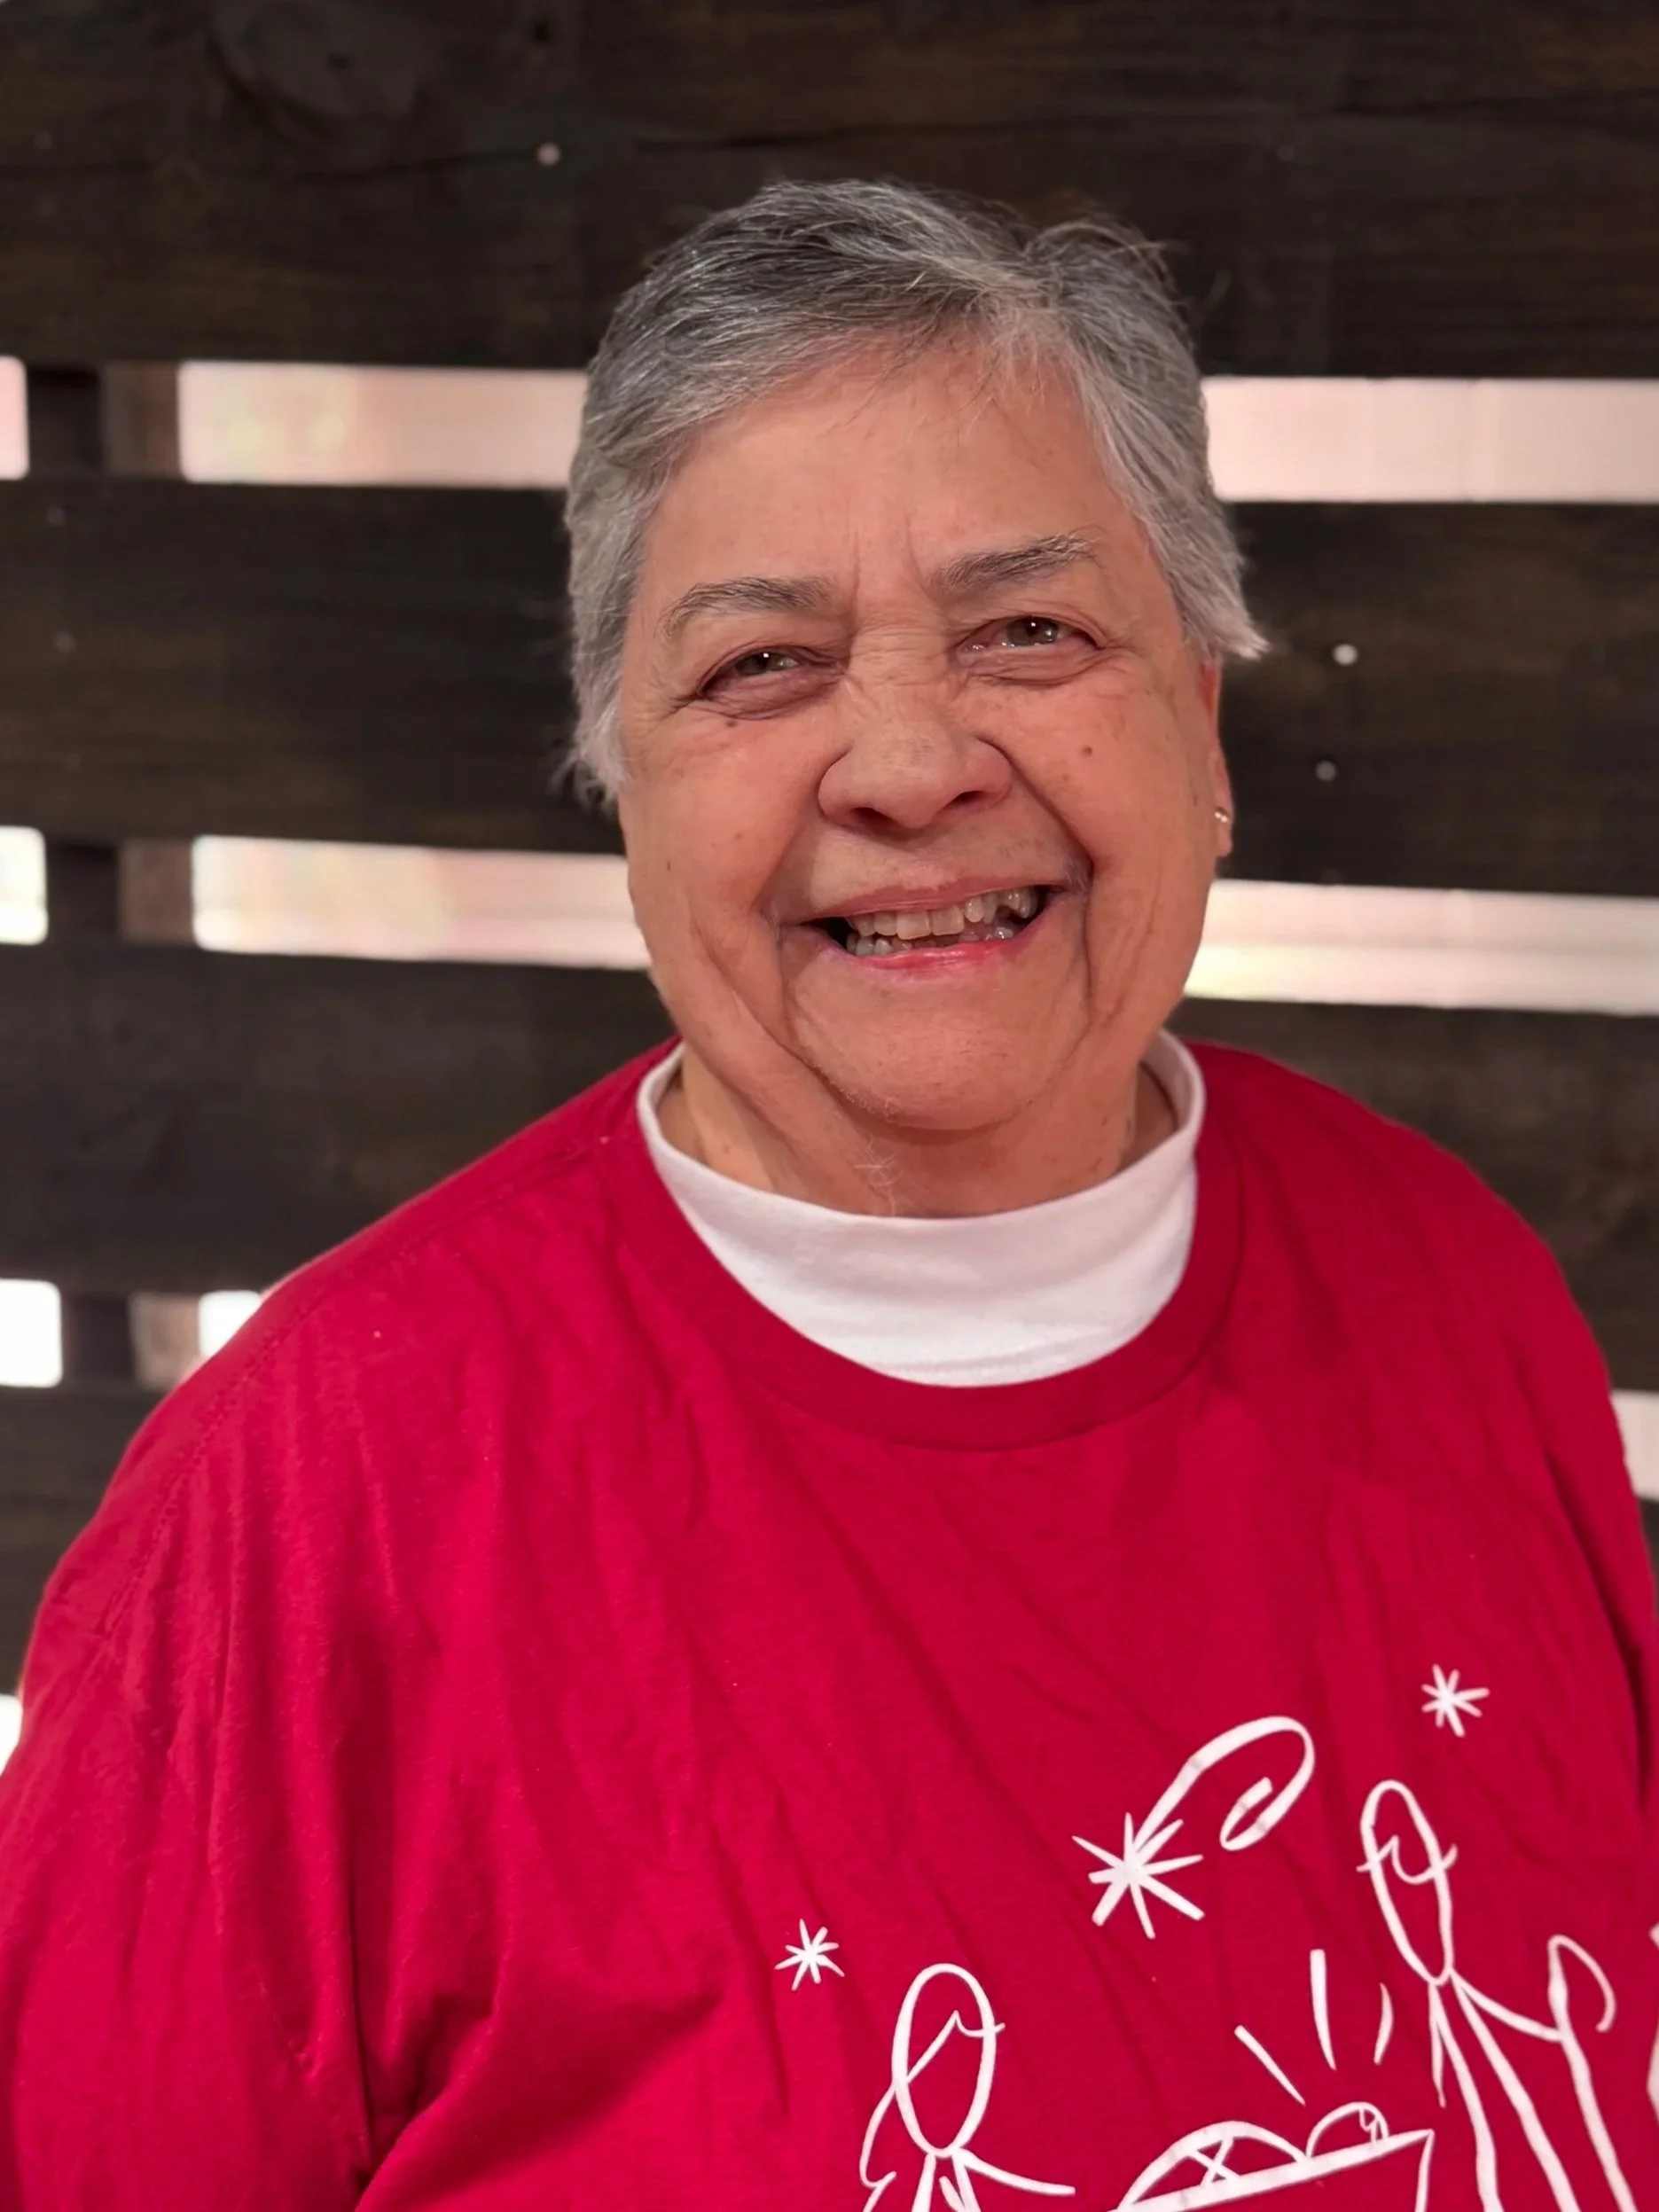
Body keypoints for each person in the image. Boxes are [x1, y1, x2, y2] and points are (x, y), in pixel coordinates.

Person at [0, 179, 1654, 2211]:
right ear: (627, 770)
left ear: (1199, 721)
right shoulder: (294, 1517)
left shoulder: (1452, 1293)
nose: (904, 761)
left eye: (1027, 629)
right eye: (762, 663)